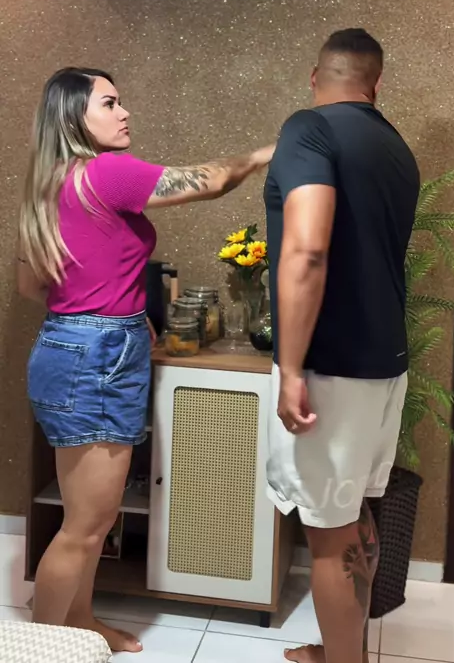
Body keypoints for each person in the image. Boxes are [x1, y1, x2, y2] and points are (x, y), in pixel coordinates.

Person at [17, 66, 275, 654]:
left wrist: (119, 308)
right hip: (96, 357)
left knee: (92, 521)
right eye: (109, 103)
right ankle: (44, 647)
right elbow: (209, 180)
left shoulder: (52, 182)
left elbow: (31, 286)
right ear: (74, 116)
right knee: (85, 527)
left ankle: (80, 623)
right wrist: (264, 153)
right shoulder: (106, 172)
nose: (124, 111)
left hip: (75, 346)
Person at [263, 29, 420, 663]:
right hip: (384, 367)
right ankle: (340, 651)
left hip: (330, 369)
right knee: (353, 514)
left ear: (314, 75)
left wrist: (291, 368)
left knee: (329, 537)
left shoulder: (309, 129)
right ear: (375, 84)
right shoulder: (394, 147)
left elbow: (307, 250)